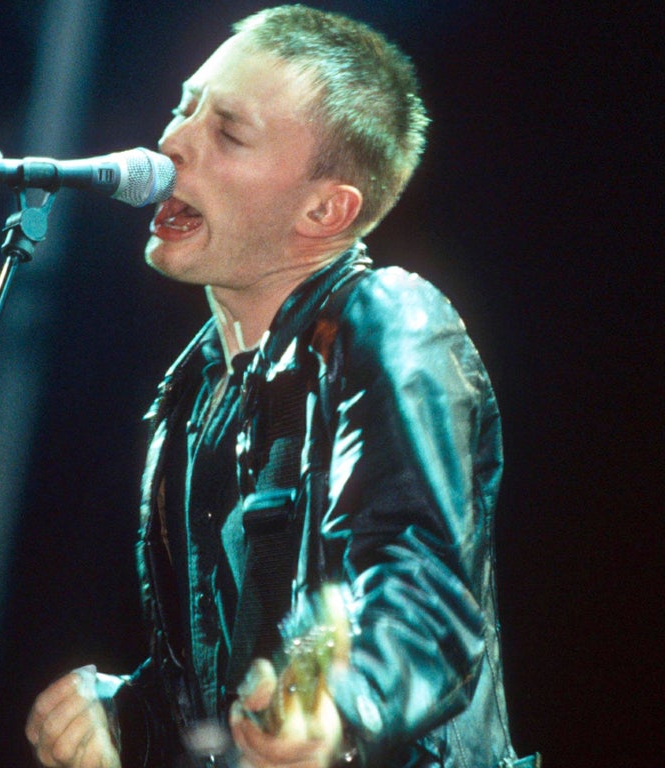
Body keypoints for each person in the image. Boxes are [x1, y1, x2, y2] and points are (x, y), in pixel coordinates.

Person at [27, 5, 535, 767]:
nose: (170, 144)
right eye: (183, 107)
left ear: (325, 209)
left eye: (227, 132)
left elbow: (424, 600)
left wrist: (339, 706)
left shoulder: (389, 323)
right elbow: (221, 701)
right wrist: (125, 714)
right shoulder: (194, 393)